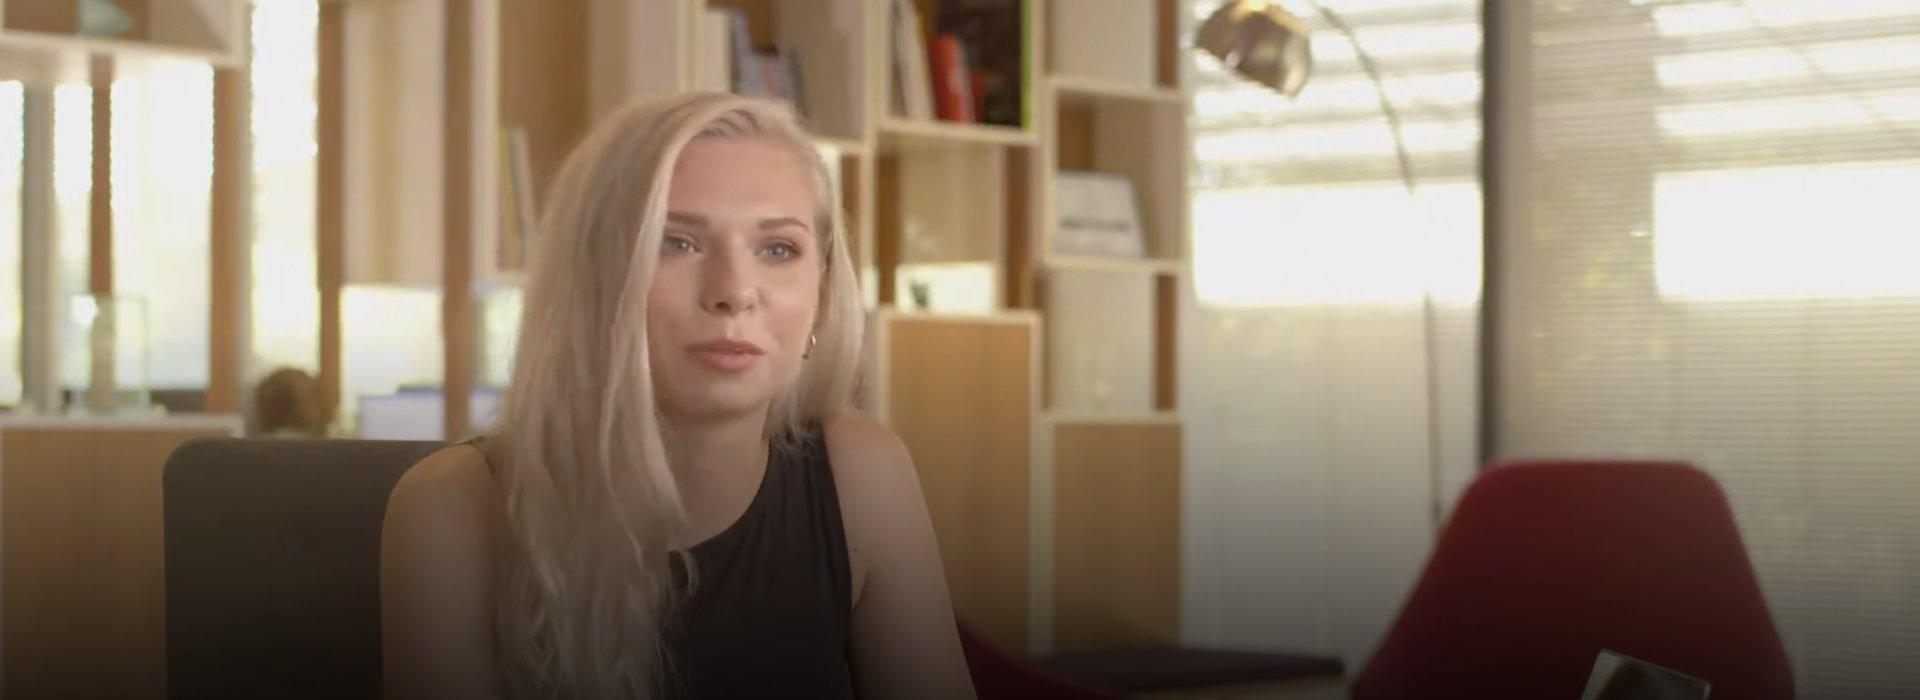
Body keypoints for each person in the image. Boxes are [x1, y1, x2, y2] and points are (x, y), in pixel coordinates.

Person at [380, 93, 975, 699]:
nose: (734, 292)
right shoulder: (452, 507)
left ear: (821, 291)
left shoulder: (863, 475)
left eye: (778, 249)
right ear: (595, 278)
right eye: (677, 242)